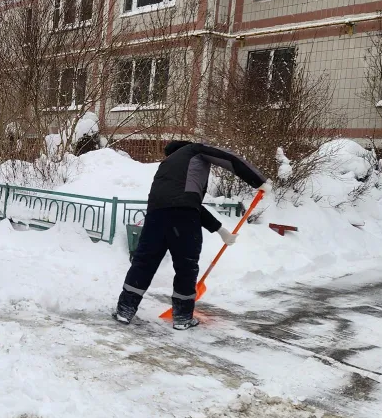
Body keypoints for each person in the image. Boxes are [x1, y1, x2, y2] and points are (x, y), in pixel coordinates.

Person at [113, 141, 269, 330]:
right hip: (184, 219)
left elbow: (188, 203)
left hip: (155, 217)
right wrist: (259, 181)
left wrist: (221, 231)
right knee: (186, 266)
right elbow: (228, 157)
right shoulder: (194, 150)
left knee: (143, 263)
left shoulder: (166, 166)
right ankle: (182, 317)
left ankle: (125, 310)